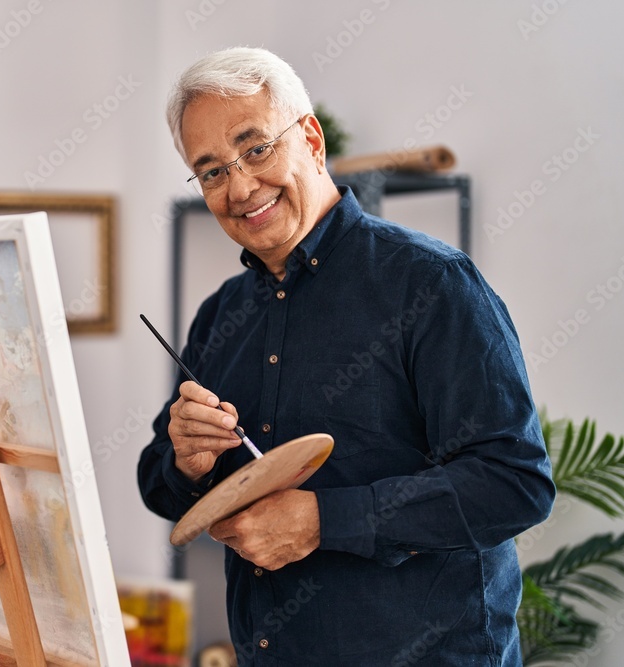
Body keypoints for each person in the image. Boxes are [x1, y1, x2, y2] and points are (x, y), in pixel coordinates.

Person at [137, 47, 555, 665]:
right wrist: (188, 462)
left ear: (310, 137)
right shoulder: (220, 315)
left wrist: (323, 521)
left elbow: (513, 483)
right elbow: (158, 484)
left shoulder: (432, 284)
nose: (241, 187)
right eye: (212, 171)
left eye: (255, 149)